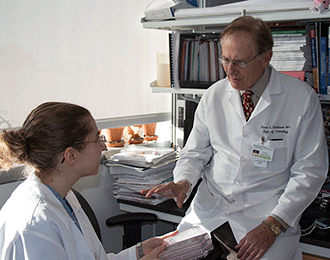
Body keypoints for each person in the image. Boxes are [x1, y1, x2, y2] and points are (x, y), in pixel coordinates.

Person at [141, 16, 328, 260]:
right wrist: (183, 182)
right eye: (225, 60)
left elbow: (310, 172)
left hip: (266, 218)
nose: (230, 70)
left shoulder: (301, 99)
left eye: (239, 61)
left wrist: (273, 225)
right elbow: (195, 152)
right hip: (209, 213)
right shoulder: (214, 95)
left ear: (265, 58)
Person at [0, 102, 175, 260]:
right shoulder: (35, 227)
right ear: (71, 155)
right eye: (97, 138)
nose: (104, 146)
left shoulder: (64, 196)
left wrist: (138, 252)